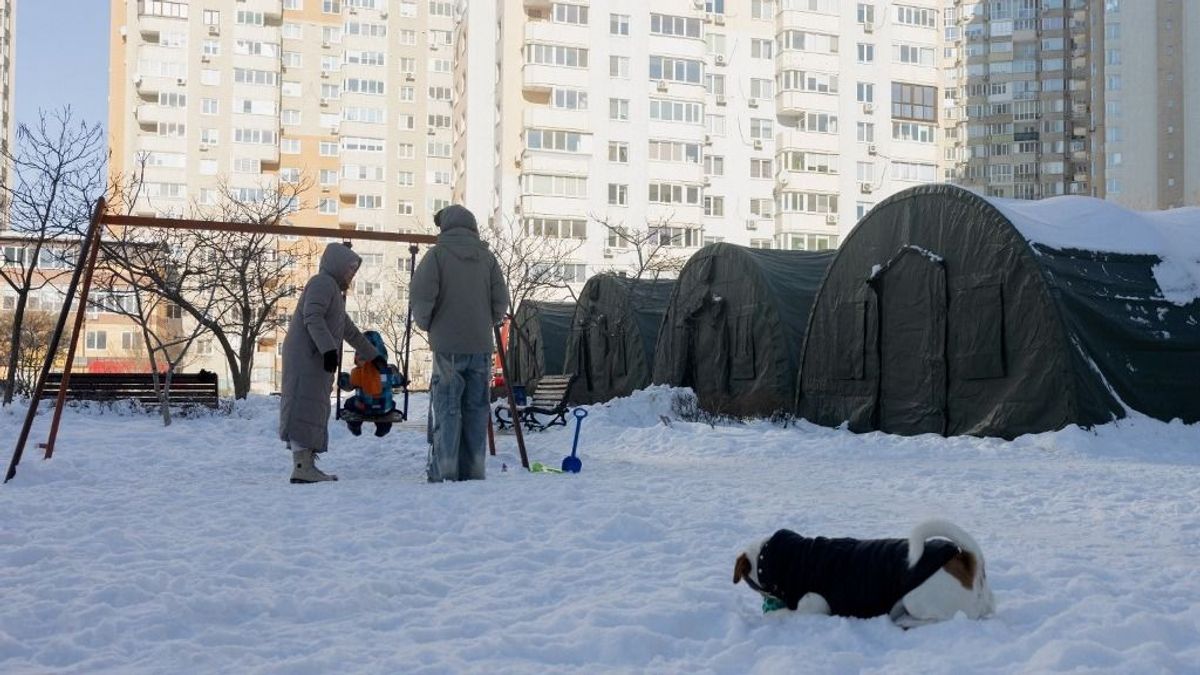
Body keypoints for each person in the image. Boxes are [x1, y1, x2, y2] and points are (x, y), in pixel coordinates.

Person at [411, 205, 509, 482]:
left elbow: (422, 296)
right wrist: (485, 321)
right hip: (480, 345)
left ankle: (446, 470)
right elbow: (500, 300)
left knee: (448, 408)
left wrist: (429, 324)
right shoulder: (487, 258)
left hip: (448, 346)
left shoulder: (436, 256)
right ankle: (474, 470)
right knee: (477, 409)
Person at [279, 242, 384, 484]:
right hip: (307, 356)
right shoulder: (322, 283)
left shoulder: (333, 292)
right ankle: (302, 467)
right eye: (349, 269)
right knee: (304, 406)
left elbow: (350, 331)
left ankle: (305, 464)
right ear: (337, 265)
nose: (351, 274)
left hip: (314, 357)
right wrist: (328, 350)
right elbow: (312, 316)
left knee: (312, 407)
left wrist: (374, 356)